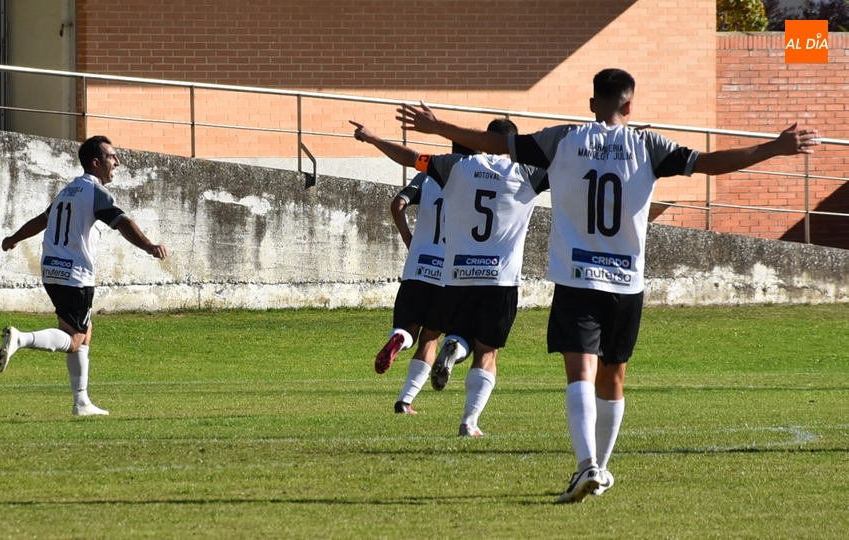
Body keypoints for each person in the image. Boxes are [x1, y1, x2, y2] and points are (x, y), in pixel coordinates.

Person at [395, 68, 820, 502]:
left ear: (593, 103)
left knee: (580, 373)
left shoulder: (563, 140)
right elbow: (710, 164)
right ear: (630, 105)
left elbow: (497, 145)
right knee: (613, 379)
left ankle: (587, 466)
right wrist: (776, 147)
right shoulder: (648, 146)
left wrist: (438, 127)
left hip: (577, 281)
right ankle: (600, 467)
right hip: (626, 284)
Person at [351, 118, 549, 437]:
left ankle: (454, 346)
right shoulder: (526, 173)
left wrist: (374, 138)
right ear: (512, 145)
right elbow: (575, 171)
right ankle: (469, 421)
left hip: (457, 276)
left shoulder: (455, 166)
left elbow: (411, 157)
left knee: (454, 333)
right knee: (487, 352)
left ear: (485, 138)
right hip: (500, 279)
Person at [0, 135, 169, 416]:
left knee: (85, 333)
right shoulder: (95, 192)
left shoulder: (69, 190)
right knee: (74, 338)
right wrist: (149, 245)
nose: (117, 161)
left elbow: (43, 220)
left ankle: (82, 402)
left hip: (52, 269)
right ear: (96, 162)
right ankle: (21, 339)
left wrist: (13, 238)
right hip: (75, 274)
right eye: (112, 156)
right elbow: (122, 222)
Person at [375, 166, 446, 415]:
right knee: (430, 339)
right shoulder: (470, 177)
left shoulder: (427, 174)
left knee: (408, 329)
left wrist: (409, 240)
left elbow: (398, 205)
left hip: (418, 265)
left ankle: (400, 340)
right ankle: (405, 401)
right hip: (448, 270)